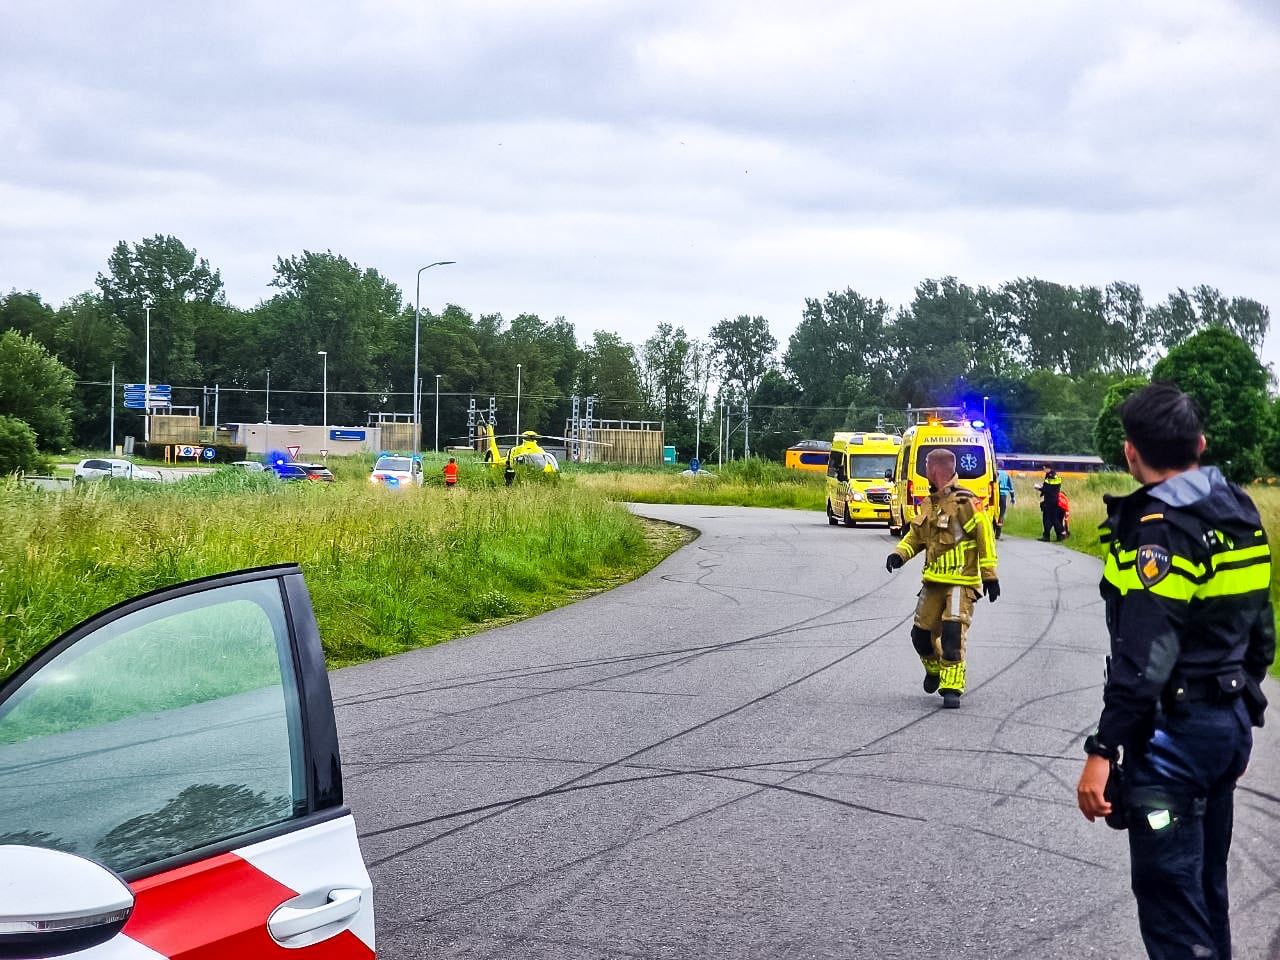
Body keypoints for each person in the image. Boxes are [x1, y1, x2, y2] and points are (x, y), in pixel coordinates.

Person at [1075, 381, 1273, 960]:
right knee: (1207, 890)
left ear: (1130, 451)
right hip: (1227, 726)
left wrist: (1101, 749)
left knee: (1170, 900)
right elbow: (1261, 630)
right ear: (1201, 444)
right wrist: (1240, 694)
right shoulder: (1237, 507)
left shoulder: (1160, 529)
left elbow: (1145, 657)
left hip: (1173, 741)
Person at [885, 447, 999, 708]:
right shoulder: (930, 503)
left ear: (935, 469)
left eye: (926, 465)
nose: (924, 470)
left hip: (962, 581)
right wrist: (899, 554)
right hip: (933, 581)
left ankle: (952, 686)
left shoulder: (965, 503)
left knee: (952, 632)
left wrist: (990, 576)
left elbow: (985, 538)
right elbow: (916, 537)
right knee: (920, 636)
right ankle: (934, 669)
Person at [1038, 468, 1066, 541]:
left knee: (1048, 519)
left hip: (1050, 501)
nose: (1043, 470)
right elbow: (1054, 488)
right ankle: (1059, 536)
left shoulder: (1050, 477)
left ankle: (1061, 532)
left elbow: (1047, 489)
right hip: (1057, 501)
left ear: (1048, 468)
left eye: (1044, 468)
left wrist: (1039, 488)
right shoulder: (1056, 477)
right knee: (1055, 519)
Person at [995, 467, 1015, 539]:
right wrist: (1013, 498)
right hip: (1003, 496)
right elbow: (1011, 487)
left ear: (997, 465)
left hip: (995, 495)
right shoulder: (1007, 475)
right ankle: (998, 534)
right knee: (1001, 514)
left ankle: (993, 530)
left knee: (994, 512)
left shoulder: (995, 473)